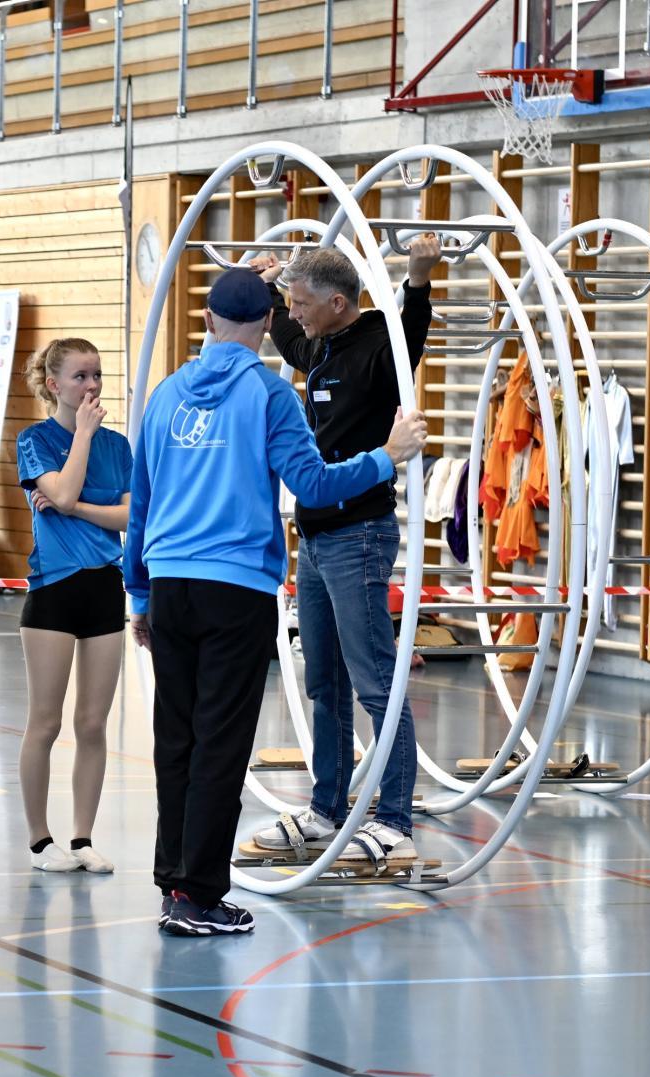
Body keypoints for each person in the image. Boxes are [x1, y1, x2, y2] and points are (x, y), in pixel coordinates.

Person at [126, 268, 427, 936]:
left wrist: (140, 593)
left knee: (176, 738)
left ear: (206, 321)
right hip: (235, 589)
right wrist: (387, 456)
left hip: (170, 585)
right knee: (221, 743)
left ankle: (175, 880)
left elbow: (140, 505)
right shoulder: (268, 393)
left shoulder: (166, 394)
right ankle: (200, 896)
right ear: (267, 325)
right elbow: (314, 484)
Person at [245, 238, 439, 871]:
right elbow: (288, 336)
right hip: (317, 536)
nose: (292, 314)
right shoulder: (317, 345)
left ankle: (394, 822)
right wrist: (277, 283)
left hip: (359, 535)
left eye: (302, 303)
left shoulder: (381, 342)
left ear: (336, 302)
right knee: (322, 682)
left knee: (376, 683)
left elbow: (412, 332)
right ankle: (328, 809)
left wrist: (417, 276)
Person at [15, 336, 130, 876]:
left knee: (93, 722)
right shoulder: (34, 439)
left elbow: (128, 517)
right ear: (54, 384)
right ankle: (40, 842)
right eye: (82, 376)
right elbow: (55, 494)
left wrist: (77, 506)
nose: (92, 386)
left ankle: (83, 837)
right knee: (45, 721)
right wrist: (81, 436)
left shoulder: (119, 446)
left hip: (106, 586)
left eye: (98, 375)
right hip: (54, 590)